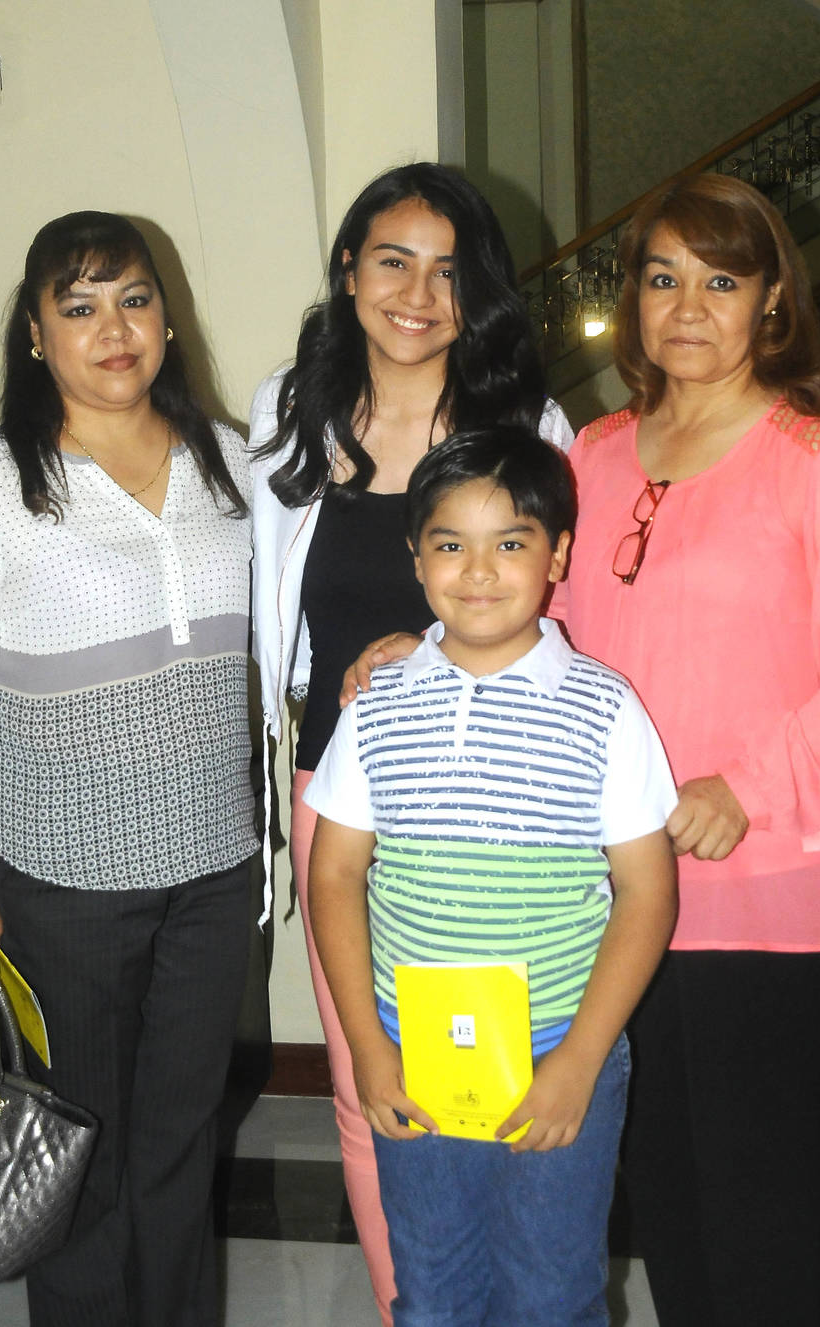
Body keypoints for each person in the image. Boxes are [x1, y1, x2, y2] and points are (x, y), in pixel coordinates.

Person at [347, 173, 820, 1327]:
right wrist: (431, 645)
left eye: (721, 281)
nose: (688, 306)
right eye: (663, 278)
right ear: (633, 300)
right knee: (660, 1210)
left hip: (755, 898)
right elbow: (538, 615)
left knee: (760, 1222)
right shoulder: (597, 454)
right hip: (600, 913)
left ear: (771, 302)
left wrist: (748, 788)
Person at [0, 211, 257, 1327]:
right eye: (80, 306)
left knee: (181, 1146)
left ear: (168, 319)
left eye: (134, 299)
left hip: (213, 872)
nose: (114, 329)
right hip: (61, 883)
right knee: (78, 1163)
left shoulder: (231, 459)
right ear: (35, 333)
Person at [249, 162, 572, 1321]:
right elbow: (268, 613)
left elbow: (561, 618)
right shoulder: (288, 411)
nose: (418, 295)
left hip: (488, 807)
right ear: (349, 270)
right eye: (393, 262)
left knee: (499, 1074)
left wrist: (431, 645)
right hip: (336, 795)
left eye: (449, 272)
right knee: (367, 1082)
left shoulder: (526, 424)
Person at [305, 427, 679, 1326]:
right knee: (432, 1287)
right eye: (450, 544)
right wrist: (368, 1047)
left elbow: (647, 892)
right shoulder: (377, 702)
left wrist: (580, 1060)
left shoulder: (604, 707)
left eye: (511, 542)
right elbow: (334, 876)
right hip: (414, 1047)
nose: (478, 571)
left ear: (559, 556)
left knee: (551, 1291)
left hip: (559, 1044)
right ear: (416, 557)